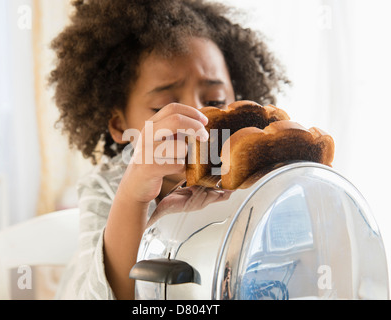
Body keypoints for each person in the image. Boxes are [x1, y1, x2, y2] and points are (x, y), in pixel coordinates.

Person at [49, 0, 289, 300]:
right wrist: (134, 195)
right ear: (119, 124)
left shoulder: (246, 177)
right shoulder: (104, 188)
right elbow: (109, 295)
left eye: (215, 101)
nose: (197, 118)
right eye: (163, 107)